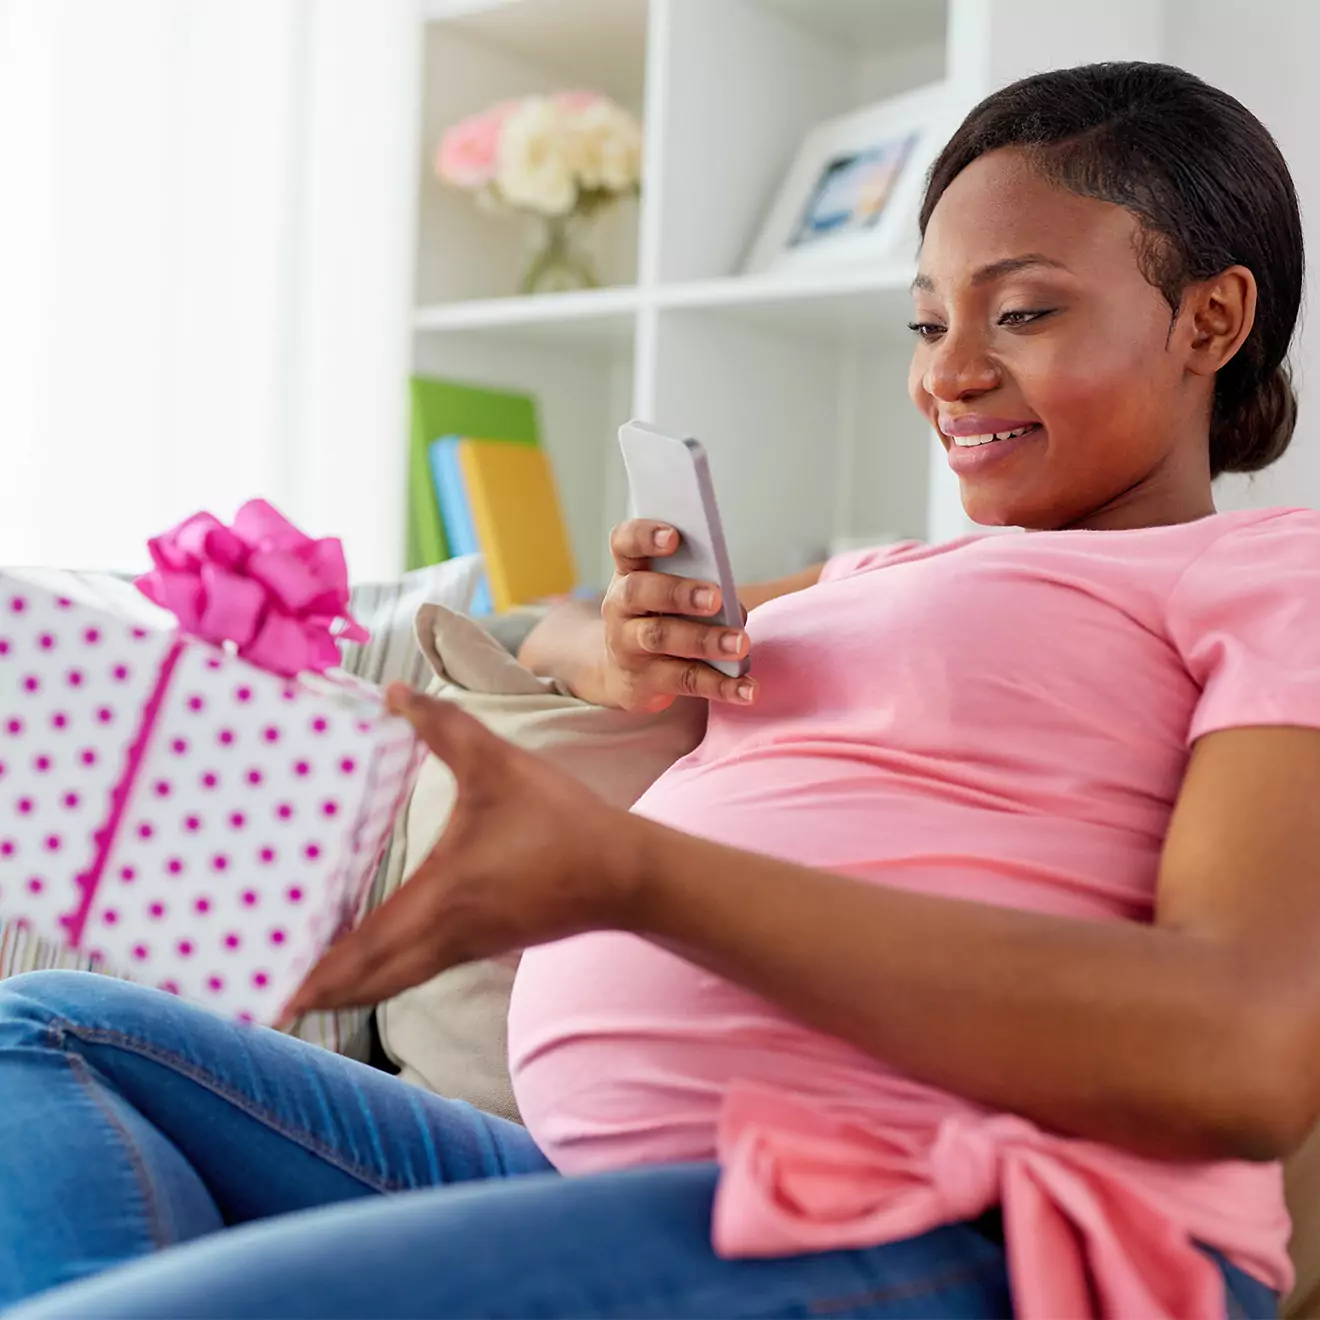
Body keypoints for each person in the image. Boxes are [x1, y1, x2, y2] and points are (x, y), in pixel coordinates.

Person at [0, 60, 1314, 1319]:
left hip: (959, 1227)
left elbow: (1241, 1059)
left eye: (1021, 312)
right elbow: (555, 626)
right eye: (926, 320)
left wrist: (629, 876)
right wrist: (618, 648)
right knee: (45, 1032)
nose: (948, 371)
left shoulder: (1268, 577)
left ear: (1212, 318)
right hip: (622, 1190)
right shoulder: (882, 570)